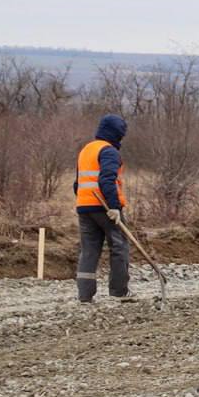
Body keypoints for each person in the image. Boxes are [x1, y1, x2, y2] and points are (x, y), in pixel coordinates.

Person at [73, 114, 131, 302]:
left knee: (89, 250)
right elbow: (106, 179)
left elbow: (77, 183)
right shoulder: (109, 151)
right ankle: (119, 291)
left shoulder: (86, 150)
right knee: (119, 246)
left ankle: (85, 295)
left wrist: (85, 201)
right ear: (116, 134)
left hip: (84, 207)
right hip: (105, 207)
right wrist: (114, 207)